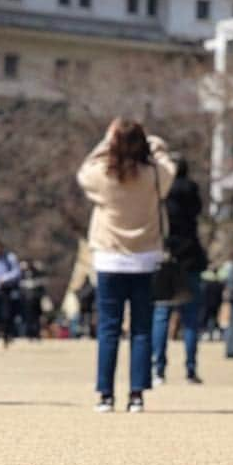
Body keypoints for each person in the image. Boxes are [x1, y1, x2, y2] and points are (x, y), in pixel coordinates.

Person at [77, 117, 176, 413]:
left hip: (109, 256)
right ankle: (136, 395)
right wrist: (154, 143)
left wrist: (107, 140)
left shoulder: (103, 175)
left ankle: (106, 395)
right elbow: (168, 164)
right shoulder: (154, 176)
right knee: (142, 329)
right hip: (145, 257)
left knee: (108, 328)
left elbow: (83, 171)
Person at [152, 157, 208, 386]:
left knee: (162, 315)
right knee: (190, 319)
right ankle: (190, 369)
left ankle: (158, 369)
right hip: (191, 258)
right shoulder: (192, 193)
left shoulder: (161, 193)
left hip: (166, 256)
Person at [18, 260, 46, 340]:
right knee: (28, 318)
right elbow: (20, 289)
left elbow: (42, 288)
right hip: (26, 301)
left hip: (36, 300)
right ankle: (29, 334)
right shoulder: (22, 275)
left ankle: (37, 334)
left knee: (36, 318)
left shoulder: (37, 274)